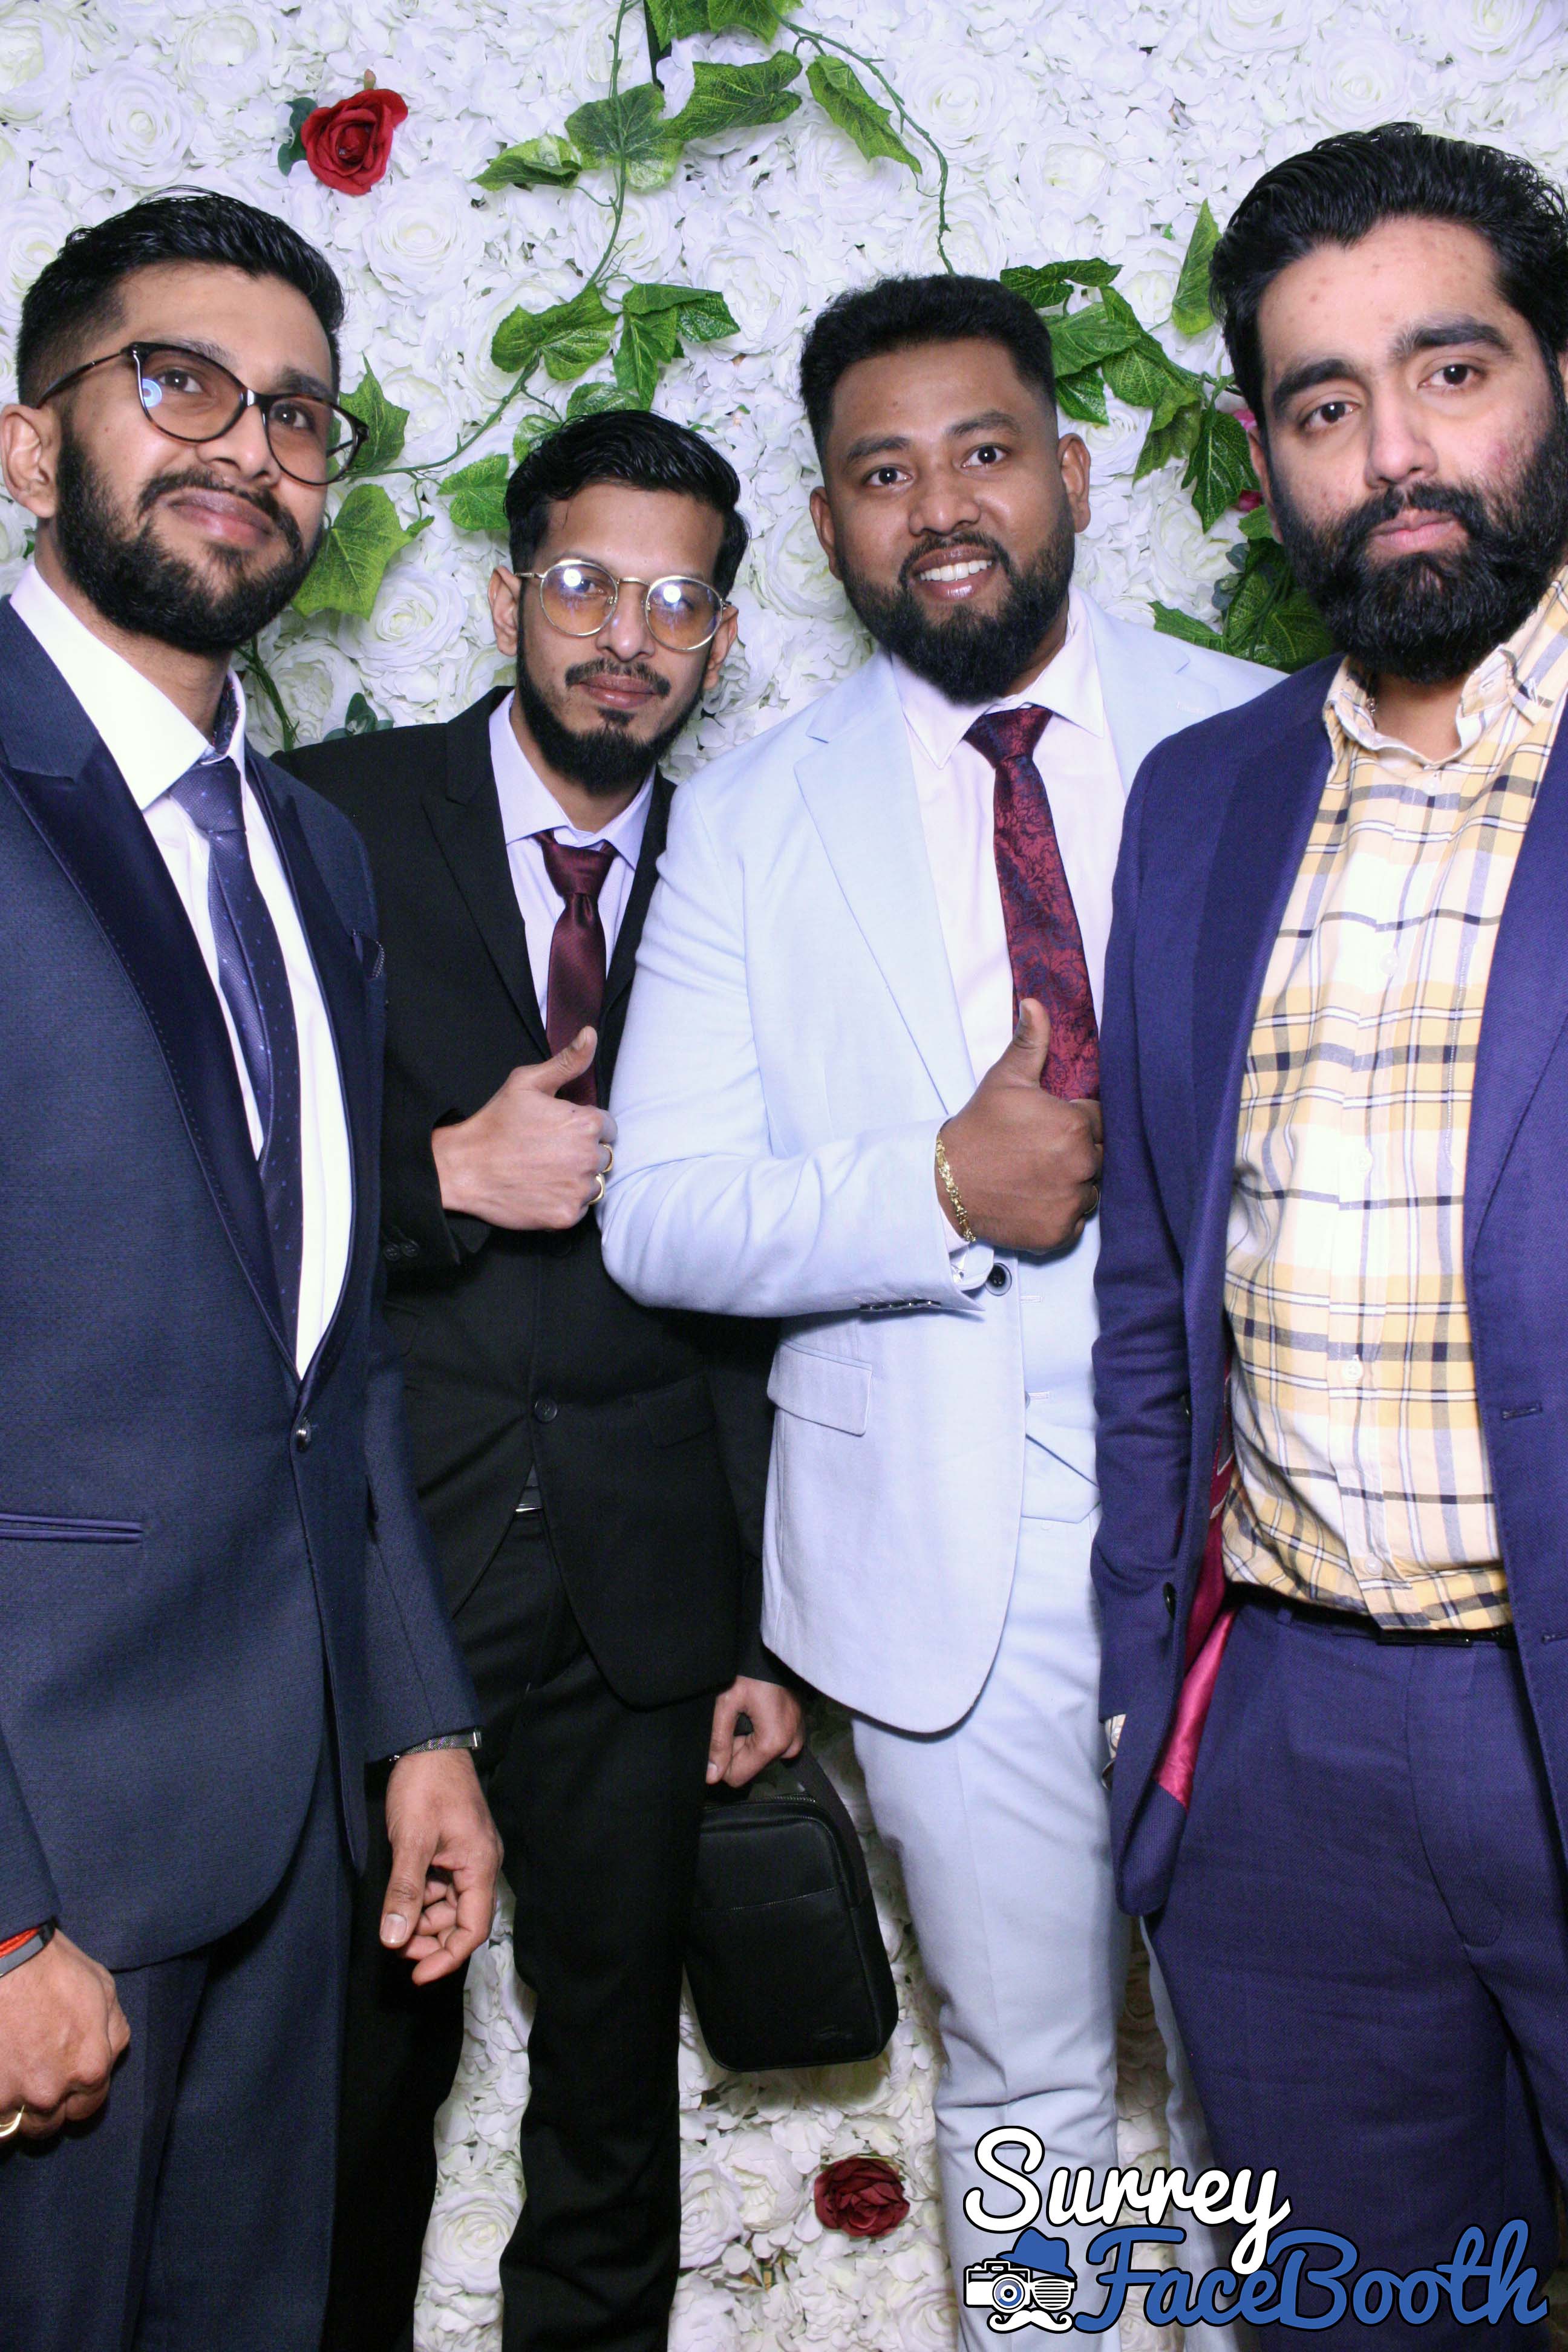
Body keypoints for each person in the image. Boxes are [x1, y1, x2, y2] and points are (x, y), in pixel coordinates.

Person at [600, 273, 1272, 2345]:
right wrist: (938, 1191)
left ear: (1068, 470)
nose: (941, 506)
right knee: (1035, 2087)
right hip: (942, 1566)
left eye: (984, 452)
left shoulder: (1267, 734)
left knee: (1295, 2078)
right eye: (883, 475)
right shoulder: (745, 820)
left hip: (1276, 1541)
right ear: (828, 526)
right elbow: (662, 1216)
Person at [0, 192, 498, 2352]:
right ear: (30, 445)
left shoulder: (310, 851)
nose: (249, 446)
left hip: (296, 1837)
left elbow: (336, 1355)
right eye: (179, 382)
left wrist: (418, 1725)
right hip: (49, 1862)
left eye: (299, 413)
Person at [1091, 124, 1568, 2343]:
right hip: (1283, 1752)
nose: (1395, 455)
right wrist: (1157, 1719)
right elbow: (1150, 1304)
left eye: (1452, 371)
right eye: (1323, 404)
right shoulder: (1202, 799)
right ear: (1262, 454)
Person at [286, 408, 802, 2352]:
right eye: (585, 583)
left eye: (678, 602)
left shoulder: (759, 867)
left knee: (610, 2087)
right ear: (508, 596)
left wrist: (760, 1626)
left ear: (722, 638)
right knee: (359, 2070)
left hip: (648, 1584)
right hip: (381, 1562)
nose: (626, 637)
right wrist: (439, 1176)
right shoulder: (329, 819)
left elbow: (769, 1286)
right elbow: (217, 1179)